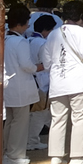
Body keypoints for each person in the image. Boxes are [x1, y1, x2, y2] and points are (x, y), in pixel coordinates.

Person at [43, 1, 83, 164]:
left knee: (57, 118)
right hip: (77, 81)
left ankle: (56, 156)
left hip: (57, 81)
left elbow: (46, 60)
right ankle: (77, 157)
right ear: (82, 16)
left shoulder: (54, 33)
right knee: (79, 118)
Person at [1, 7, 39, 164]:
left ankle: (5, 151)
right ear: (21, 24)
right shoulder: (20, 41)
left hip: (7, 86)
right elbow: (26, 65)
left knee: (9, 121)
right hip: (20, 86)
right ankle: (15, 154)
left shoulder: (3, 39)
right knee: (20, 122)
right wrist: (38, 67)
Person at [27, 13, 56, 150]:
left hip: (29, 79)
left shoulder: (27, 40)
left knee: (30, 113)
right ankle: (32, 140)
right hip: (41, 80)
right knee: (41, 112)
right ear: (46, 30)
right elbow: (47, 63)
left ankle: (28, 139)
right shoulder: (43, 43)